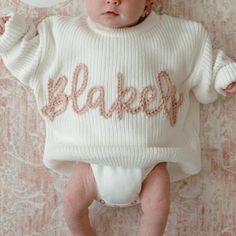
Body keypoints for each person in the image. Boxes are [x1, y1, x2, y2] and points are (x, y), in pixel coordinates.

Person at [0, 0, 236, 235]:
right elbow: (31, 54)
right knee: (71, 205)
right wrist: (11, 32)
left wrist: (223, 76)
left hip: (152, 161)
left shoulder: (175, 36)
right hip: (90, 160)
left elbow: (204, 62)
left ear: (148, 2)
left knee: (158, 208)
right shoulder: (64, 34)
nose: (112, 1)